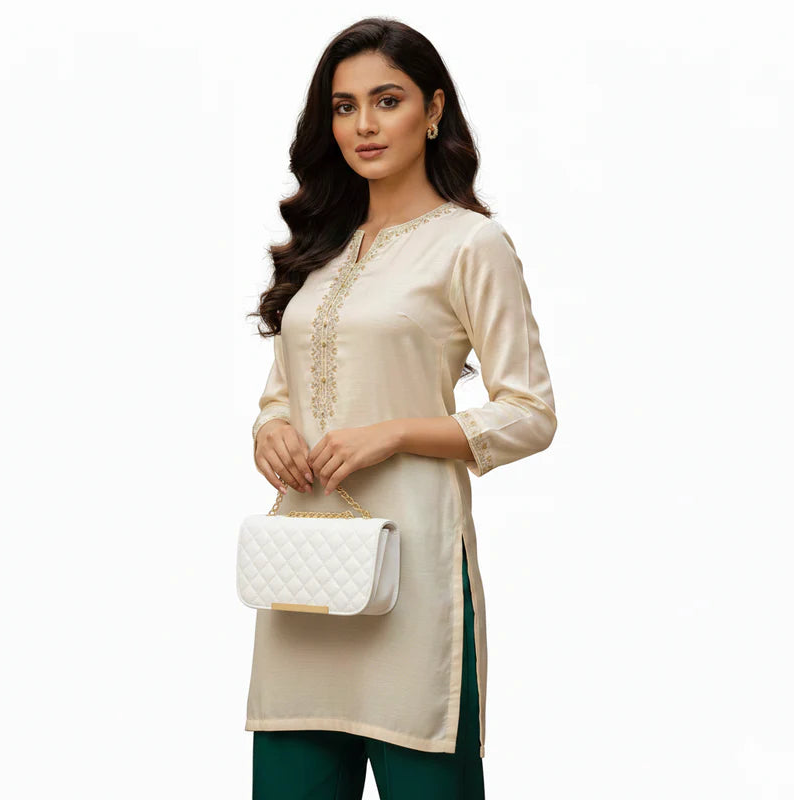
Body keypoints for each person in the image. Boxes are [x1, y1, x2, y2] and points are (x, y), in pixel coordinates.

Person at [245, 17, 558, 800]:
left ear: (433, 109)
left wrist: (396, 434)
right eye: (344, 107)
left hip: (413, 575)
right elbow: (283, 391)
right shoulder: (324, 245)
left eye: (387, 101)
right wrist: (270, 429)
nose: (365, 125)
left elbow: (529, 410)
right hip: (303, 577)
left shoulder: (470, 245)